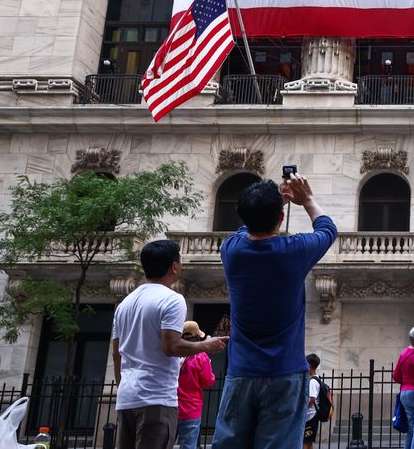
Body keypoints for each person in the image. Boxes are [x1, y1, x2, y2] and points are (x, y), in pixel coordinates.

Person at [213, 175, 338, 449]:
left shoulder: (231, 250)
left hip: (241, 371)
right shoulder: (293, 250)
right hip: (286, 373)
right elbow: (328, 229)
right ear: (281, 216)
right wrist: (306, 199)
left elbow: (245, 228)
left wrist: (272, 203)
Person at [112, 240, 227, 449]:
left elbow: (116, 353)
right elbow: (171, 346)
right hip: (156, 398)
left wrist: (124, 387)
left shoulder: (125, 304)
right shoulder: (172, 300)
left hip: (127, 398)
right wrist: (206, 345)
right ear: (174, 266)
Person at [177, 321, 217, 449]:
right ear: (197, 337)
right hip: (191, 409)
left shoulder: (172, 352)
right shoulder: (201, 356)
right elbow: (208, 381)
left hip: (170, 407)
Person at [304, 353, 323, 449]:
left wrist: (302, 409)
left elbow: (311, 399)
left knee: (305, 443)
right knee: (309, 443)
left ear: (309, 365)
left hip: (310, 416)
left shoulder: (313, 381)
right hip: (312, 416)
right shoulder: (316, 379)